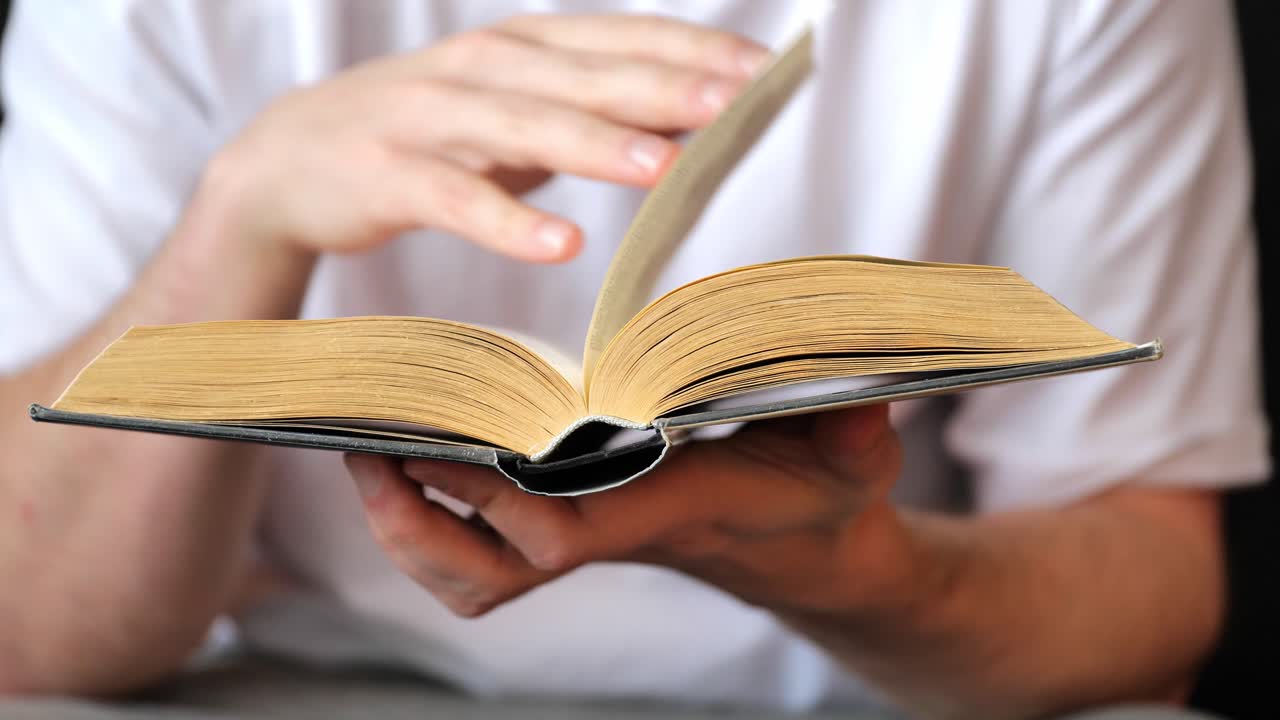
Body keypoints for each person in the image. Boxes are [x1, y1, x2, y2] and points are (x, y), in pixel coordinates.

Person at [0, 1, 1267, 718]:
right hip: (291, 684)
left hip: (874, 695)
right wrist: (236, 226)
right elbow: (27, 637)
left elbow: (1148, 600)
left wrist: (837, 564)